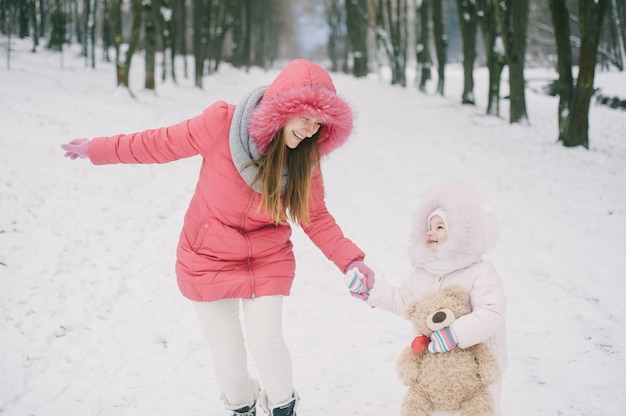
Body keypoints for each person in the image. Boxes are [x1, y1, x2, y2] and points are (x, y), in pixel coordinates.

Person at [61, 59, 375, 416]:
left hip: (266, 258)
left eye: (319, 123)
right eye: (306, 117)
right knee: (231, 371)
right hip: (206, 257)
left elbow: (315, 217)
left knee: (267, 343)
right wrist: (96, 149)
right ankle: (243, 407)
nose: (310, 129)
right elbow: (158, 143)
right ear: (283, 107)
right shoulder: (222, 123)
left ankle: (284, 409)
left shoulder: (305, 159)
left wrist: (352, 260)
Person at [346, 180, 507, 415]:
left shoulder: (480, 271)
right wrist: (371, 290)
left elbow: (492, 311)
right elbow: (403, 300)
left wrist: (455, 334)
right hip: (435, 369)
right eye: (430, 227)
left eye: (440, 227)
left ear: (460, 233)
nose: (431, 232)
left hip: (478, 369)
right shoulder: (424, 272)